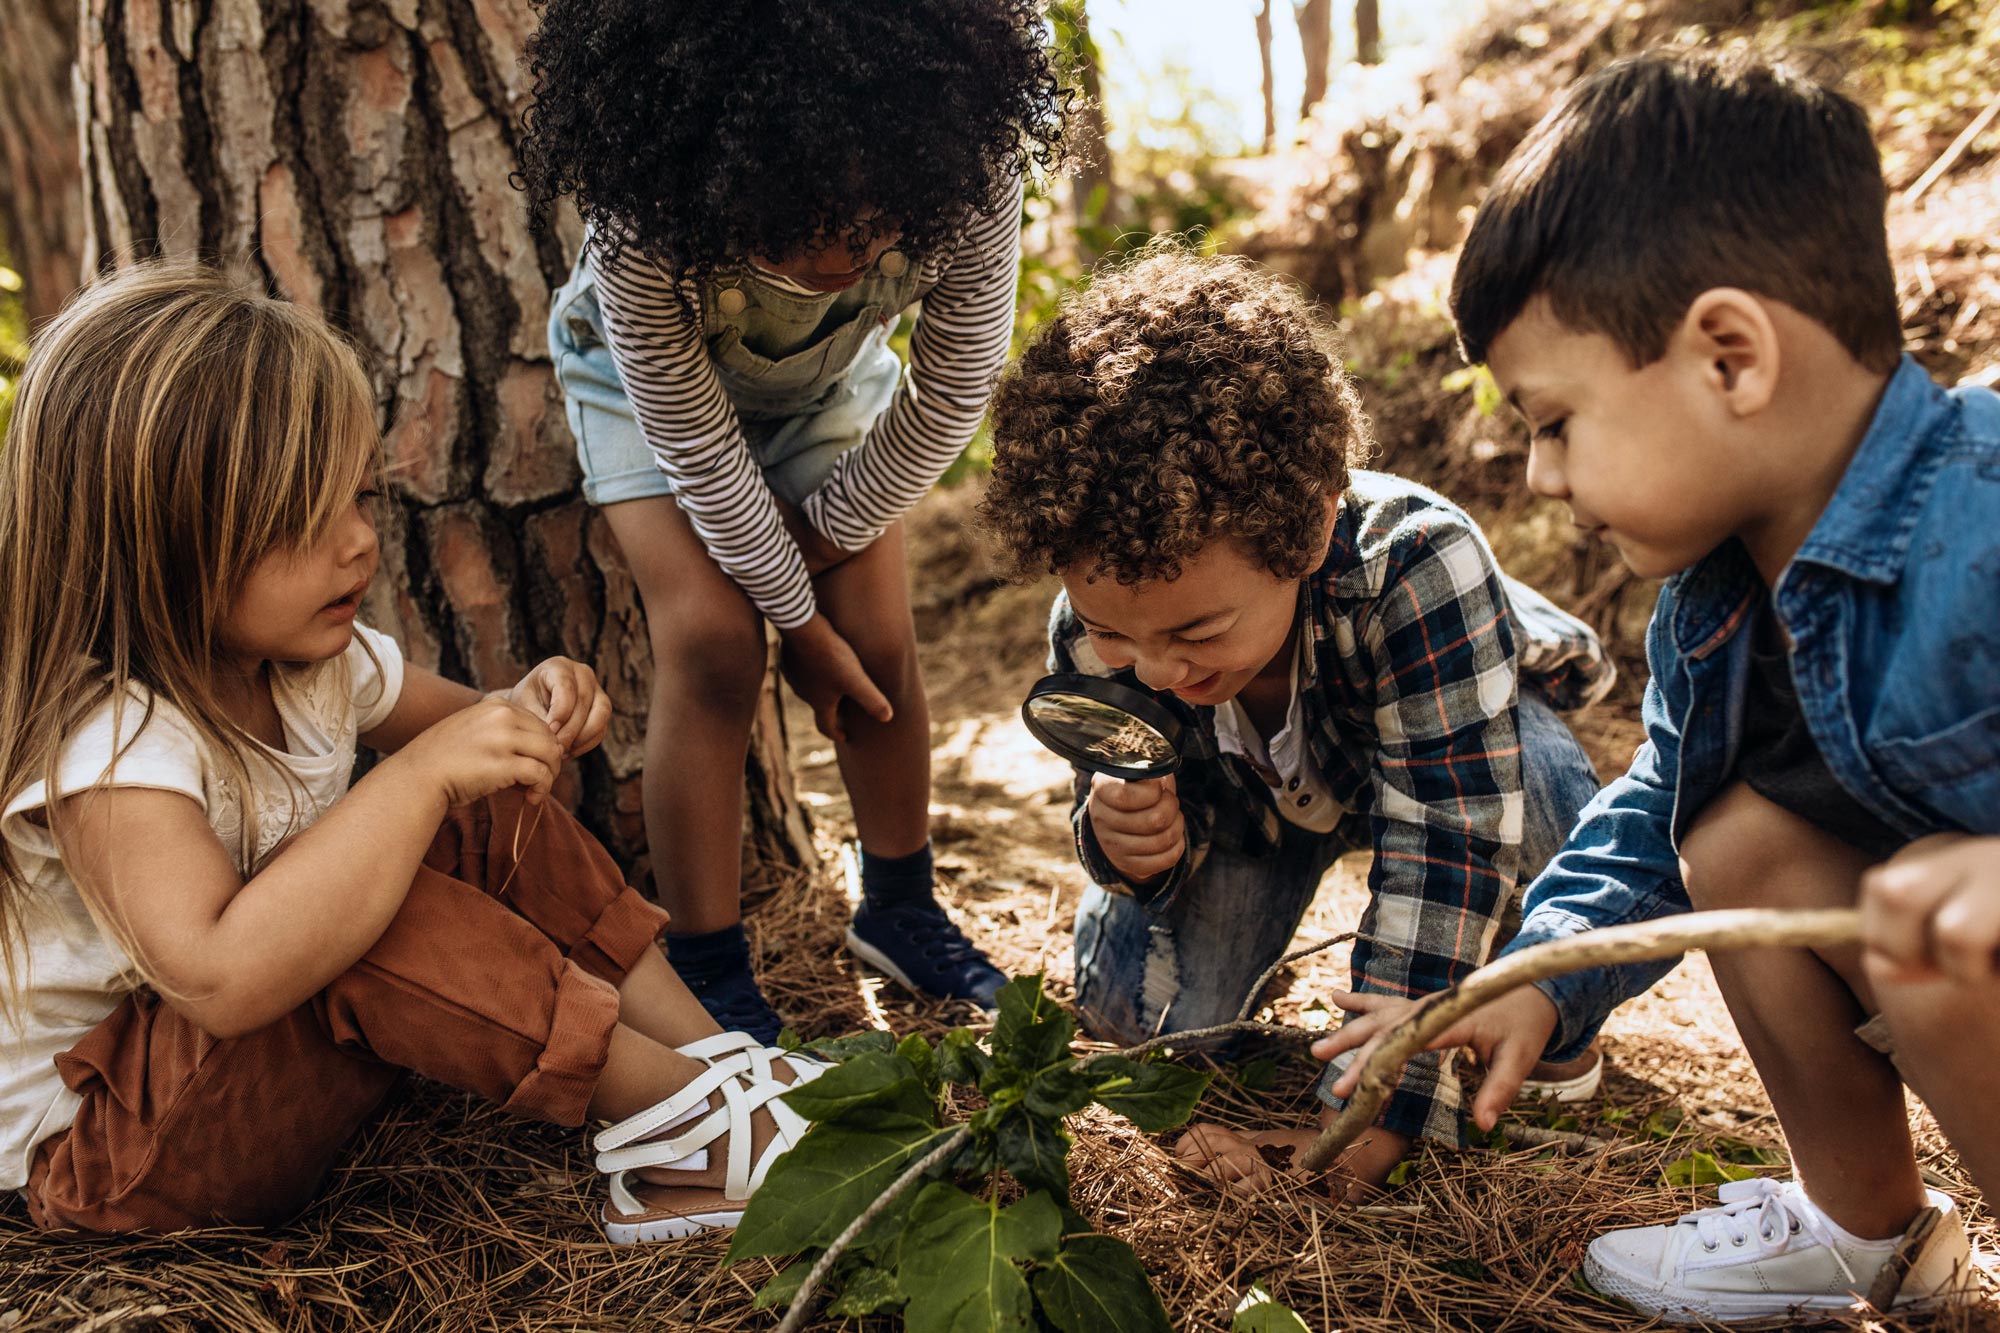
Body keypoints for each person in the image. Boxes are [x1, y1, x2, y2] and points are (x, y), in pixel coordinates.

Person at [1317, 50, 1995, 1321]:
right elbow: (1645, 815)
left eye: (1555, 418)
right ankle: (1861, 1229)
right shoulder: (1710, 607)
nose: (1536, 474)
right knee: (1733, 837)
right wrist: (1535, 971)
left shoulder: (1984, 510)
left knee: (1934, 921)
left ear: (1727, 357)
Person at [0, 263, 823, 1243]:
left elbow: (476, 732)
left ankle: (715, 1065)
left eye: (358, 499)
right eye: (305, 519)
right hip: (113, 1155)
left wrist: (531, 706)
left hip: (233, 1082)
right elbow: (222, 978)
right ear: (156, 543)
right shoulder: (113, 747)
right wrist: (424, 775)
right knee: (373, 899)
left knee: (475, 807)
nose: (358, 545)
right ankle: (686, 1129)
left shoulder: (310, 663)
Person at [978, 245, 1616, 1197]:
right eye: (1118, 632)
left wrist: (1364, 1117)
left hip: (1436, 750)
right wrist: (1130, 848)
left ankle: (1541, 1010)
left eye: (1197, 629)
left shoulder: (1419, 565)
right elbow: (1109, 789)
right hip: (1250, 812)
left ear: (1311, 527)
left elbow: (1446, 840)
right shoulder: (1096, 625)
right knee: (1135, 1018)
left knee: (1550, 793)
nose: (1156, 668)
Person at [515, 0, 1072, 1041]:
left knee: (879, 640)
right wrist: (792, 625)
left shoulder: (970, 168)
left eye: (873, 222)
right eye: (802, 218)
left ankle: (902, 909)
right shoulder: (647, 211)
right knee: (716, 641)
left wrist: (819, 549)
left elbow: (950, 393)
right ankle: (710, 964)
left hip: (823, 392)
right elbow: (695, 445)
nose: (843, 252)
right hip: (645, 395)